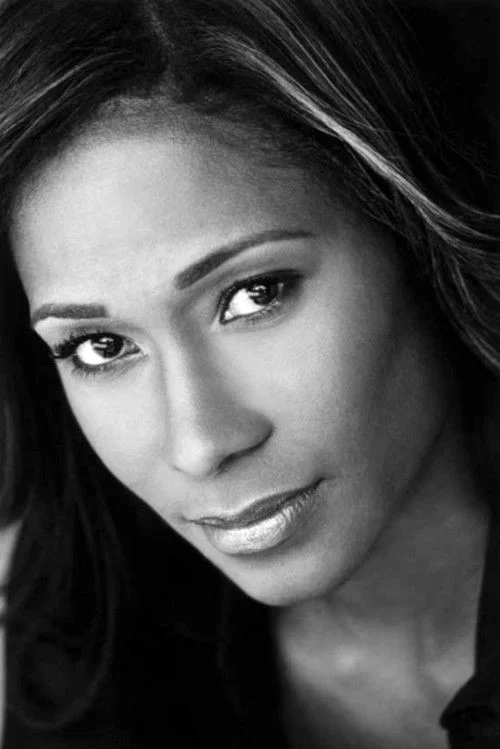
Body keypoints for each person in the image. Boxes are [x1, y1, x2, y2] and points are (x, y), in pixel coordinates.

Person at [0, 0, 499, 746]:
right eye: (100, 347)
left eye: (254, 295)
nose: (201, 444)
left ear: (413, 237)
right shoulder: (89, 626)